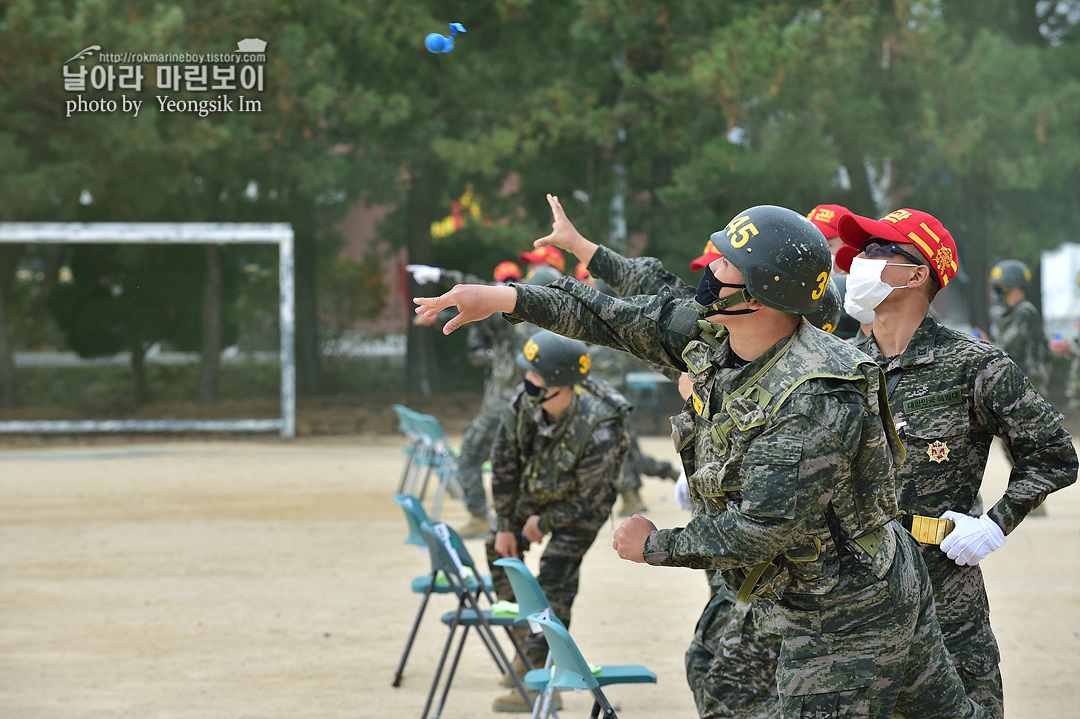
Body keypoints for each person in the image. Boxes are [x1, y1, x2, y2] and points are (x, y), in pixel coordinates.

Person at [416, 197, 988, 719]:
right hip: (809, 596)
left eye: (727, 263)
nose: (711, 268)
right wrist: (505, 299)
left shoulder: (814, 396)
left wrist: (655, 545)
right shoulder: (718, 334)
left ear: (762, 291)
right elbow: (614, 318)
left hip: (847, 616)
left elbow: (762, 530)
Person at [834, 208, 1078, 719]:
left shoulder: (974, 365)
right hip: (849, 593)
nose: (858, 261)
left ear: (918, 273)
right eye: (859, 251)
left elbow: (1054, 456)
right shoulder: (836, 368)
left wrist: (994, 525)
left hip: (942, 595)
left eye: (877, 250)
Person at [485, 329, 630, 712]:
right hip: (540, 491)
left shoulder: (601, 429)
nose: (526, 381)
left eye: (535, 376)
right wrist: (505, 525)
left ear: (560, 384)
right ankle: (525, 644)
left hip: (581, 509)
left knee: (554, 577)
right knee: (497, 551)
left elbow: (589, 499)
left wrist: (544, 522)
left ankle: (540, 678)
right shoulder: (525, 404)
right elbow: (504, 464)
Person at [408, 259, 532, 537]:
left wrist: (442, 275)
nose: (499, 288)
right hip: (529, 402)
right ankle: (515, 520)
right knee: (519, 463)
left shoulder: (512, 314)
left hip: (502, 403)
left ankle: (480, 517)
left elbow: (476, 298)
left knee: (470, 457)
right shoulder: (544, 313)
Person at [974, 259, 1049, 395]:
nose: (996, 289)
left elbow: (1008, 349)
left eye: (999, 285)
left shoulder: (1025, 313)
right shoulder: (1010, 313)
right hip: (1015, 386)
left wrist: (985, 344)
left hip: (1028, 390)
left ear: (1012, 285)